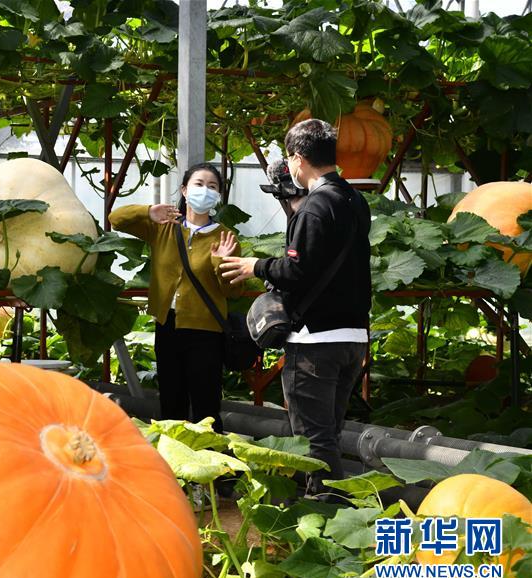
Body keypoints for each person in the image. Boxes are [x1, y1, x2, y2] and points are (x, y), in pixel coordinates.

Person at [219, 119, 371, 500]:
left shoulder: (315, 207)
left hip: (315, 341)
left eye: (289, 158)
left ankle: (328, 518)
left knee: (314, 440)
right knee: (330, 431)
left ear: (298, 159)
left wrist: (254, 266)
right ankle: (338, 516)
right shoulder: (355, 201)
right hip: (354, 337)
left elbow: (298, 270)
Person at [109, 163, 243, 433]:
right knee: (171, 401)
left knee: (206, 407)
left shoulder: (225, 236)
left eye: (212, 187)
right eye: (198, 184)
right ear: (184, 190)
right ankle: (173, 468)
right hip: (167, 325)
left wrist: (220, 263)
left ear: (218, 196)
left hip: (206, 331)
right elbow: (116, 218)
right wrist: (148, 211)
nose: (205, 190)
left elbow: (233, 292)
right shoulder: (164, 227)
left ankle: (210, 469)